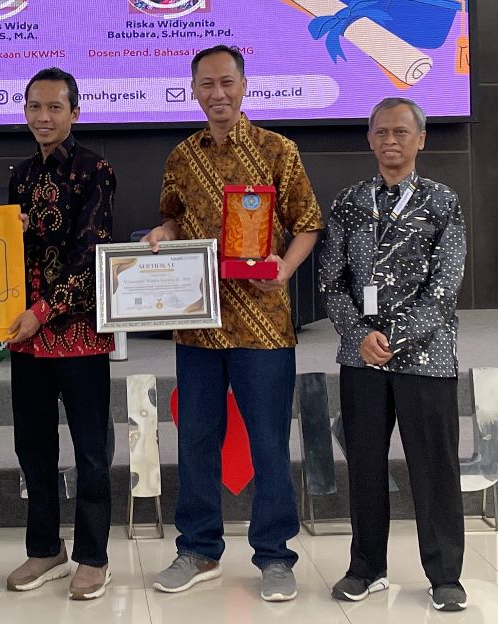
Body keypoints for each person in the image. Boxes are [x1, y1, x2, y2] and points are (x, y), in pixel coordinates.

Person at [145, 45, 322, 603]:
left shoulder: (278, 150)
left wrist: (284, 268)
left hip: (263, 325)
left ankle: (275, 556)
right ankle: (198, 550)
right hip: (197, 323)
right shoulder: (181, 156)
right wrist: (163, 235)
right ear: (193, 90)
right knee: (197, 441)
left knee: (269, 443)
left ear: (244, 85)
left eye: (226, 82)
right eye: (207, 84)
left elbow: (307, 223)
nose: (217, 93)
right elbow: (175, 218)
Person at [318, 98, 468, 613]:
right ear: (369, 139)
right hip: (361, 356)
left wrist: (395, 339)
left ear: (420, 139)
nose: (390, 141)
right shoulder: (349, 201)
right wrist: (361, 334)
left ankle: (445, 575)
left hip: (427, 357)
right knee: (364, 466)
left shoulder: (442, 201)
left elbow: (446, 286)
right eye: (381, 132)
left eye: (401, 132)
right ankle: (365, 568)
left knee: (434, 468)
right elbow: (331, 281)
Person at [5, 67, 117, 601]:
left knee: (91, 450)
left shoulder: (95, 169)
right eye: (35, 107)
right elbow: (9, 252)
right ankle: (45, 548)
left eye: (54, 107)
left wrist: (44, 309)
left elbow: (91, 253)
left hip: (79, 334)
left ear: (75, 111)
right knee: (33, 447)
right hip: (25, 337)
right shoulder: (21, 175)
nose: (43, 117)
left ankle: (94, 557)